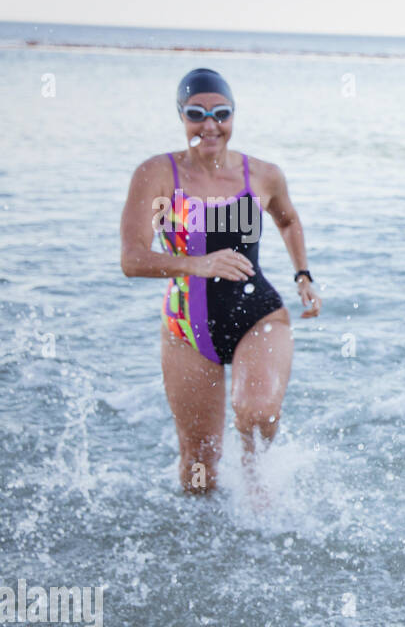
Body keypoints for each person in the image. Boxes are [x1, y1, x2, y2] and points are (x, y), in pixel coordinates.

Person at [120, 68, 322, 494]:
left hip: (258, 314)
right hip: (185, 330)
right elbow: (132, 259)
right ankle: (201, 546)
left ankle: (257, 485)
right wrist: (198, 264)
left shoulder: (263, 175)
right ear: (181, 115)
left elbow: (287, 220)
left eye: (221, 113)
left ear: (233, 116)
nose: (209, 125)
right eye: (196, 113)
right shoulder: (157, 174)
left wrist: (302, 274)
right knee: (200, 461)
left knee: (259, 411)